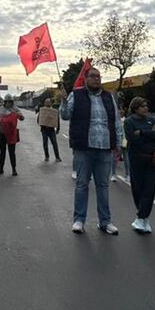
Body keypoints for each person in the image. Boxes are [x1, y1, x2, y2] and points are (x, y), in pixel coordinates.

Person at [60, 67, 123, 235]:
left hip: (104, 148)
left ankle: (105, 221)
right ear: (86, 79)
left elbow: (116, 121)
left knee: (103, 186)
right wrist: (64, 100)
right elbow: (65, 116)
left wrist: (118, 144)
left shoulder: (108, 97)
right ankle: (79, 220)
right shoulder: (77, 94)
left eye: (98, 76)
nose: (96, 79)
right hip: (84, 148)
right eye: (93, 76)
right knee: (82, 185)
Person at [124, 97, 155, 233]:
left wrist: (143, 133)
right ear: (135, 108)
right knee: (138, 188)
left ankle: (142, 218)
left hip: (152, 159)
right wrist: (150, 136)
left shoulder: (152, 120)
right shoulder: (129, 122)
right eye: (143, 106)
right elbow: (133, 139)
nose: (146, 108)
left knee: (150, 189)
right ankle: (142, 217)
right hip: (136, 159)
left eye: (146, 106)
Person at [0, 95, 24, 176]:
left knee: (12, 152)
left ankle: (14, 169)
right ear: (4, 102)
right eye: (6, 101)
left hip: (11, 134)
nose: (8, 103)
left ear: (12, 102)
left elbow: (22, 118)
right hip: (2, 132)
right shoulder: (1, 108)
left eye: (9, 101)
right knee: (2, 152)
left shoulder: (15, 109)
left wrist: (19, 116)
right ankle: (1, 168)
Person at [38, 98, 61, 162]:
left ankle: (57, 157)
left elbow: (57, 120)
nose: (47, 103)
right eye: (46, 102)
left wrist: (58, 128)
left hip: (51, 130)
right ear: (44, 103)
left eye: (48, 102)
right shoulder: (42, 111)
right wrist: (42, 123)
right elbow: (39, 120)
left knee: (54, 143)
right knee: (45, 143)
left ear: (51, 103)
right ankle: (47, 156)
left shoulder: (54, 111)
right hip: (44, 130)